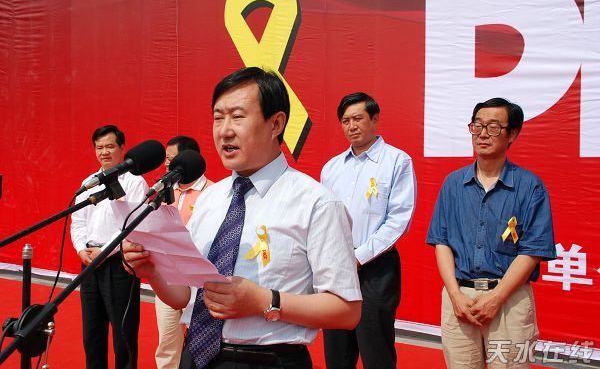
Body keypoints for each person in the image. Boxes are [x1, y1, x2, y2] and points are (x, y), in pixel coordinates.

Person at [123, 67, 362, 369]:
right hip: (195, 357)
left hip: (268, 362)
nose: (224, 130)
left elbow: (346, 310)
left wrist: (264, 301)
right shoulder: (210, 198)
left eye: (237, 117)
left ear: (276, 123)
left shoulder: (317, 203)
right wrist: (152, 271)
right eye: (218, 117)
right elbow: (183, 295)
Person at [426, 98, 557, 368]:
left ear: (512, 134)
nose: (483, 133)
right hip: (460, 299)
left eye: (494, 127)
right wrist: (455, 295)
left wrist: (496, 299)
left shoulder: (530, 186)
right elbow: (442, 242)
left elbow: (532, 250)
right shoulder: (453, 184)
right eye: (477, 125)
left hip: (509, 300)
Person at [321, 92, 417, 369]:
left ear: (374, 119)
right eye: (345, 121)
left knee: (376, 350)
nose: (351, 126)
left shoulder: (397, 161)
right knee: (337, 353)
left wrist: (359, 256)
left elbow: (398, 219)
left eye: (358, 118)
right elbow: (323, 219)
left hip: (376, 269)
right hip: (336, 268)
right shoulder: (332, 168)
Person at [71, 124, 149, 369]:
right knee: (92, 333)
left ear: (122, 148)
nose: (104, 152)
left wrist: (105, 251)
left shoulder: (135, 182)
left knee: (123, 334)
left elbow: (133, 224)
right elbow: (77, 222)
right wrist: (81, 250)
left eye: (109, 146)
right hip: (89, 263)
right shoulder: (89, 183)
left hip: (119, 263)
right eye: (99, 147)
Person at [155, 135, 214, 369]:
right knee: (167, 343)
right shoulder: (164, 191)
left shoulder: (213, 193)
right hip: (168, 278)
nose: (166, 165)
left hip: (199, 282)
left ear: (189, 160)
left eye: (171, 160)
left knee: (201, 344)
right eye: (166, 159)